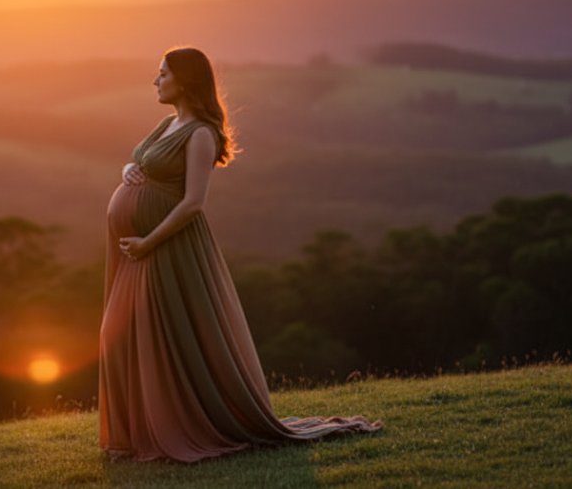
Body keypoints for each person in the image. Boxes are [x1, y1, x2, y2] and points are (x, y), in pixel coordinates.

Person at [98, 46, 382, 463]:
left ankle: (168, 431)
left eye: (162, 74)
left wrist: (149, 240)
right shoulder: (167, 123)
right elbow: (139, 162)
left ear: (185, 80)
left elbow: (194, 202)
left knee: (163, 339)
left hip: (165, 249)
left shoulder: (199, 134)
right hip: (135, 252)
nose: (155, 81)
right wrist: (128, 171)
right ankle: (134, 435)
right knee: (118, 334)